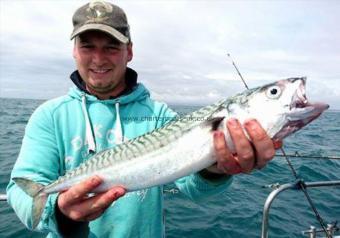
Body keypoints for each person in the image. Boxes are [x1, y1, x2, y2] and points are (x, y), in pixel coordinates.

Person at [7, 1, 280, 237]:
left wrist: (215, 168)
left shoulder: (160, 116)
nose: (98, 58)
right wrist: (60, 211)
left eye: (112, 47)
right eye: (88, 46)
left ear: (130, 52)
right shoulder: (50, 116)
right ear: (74, 51)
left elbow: (195, 190)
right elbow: (21, 193)